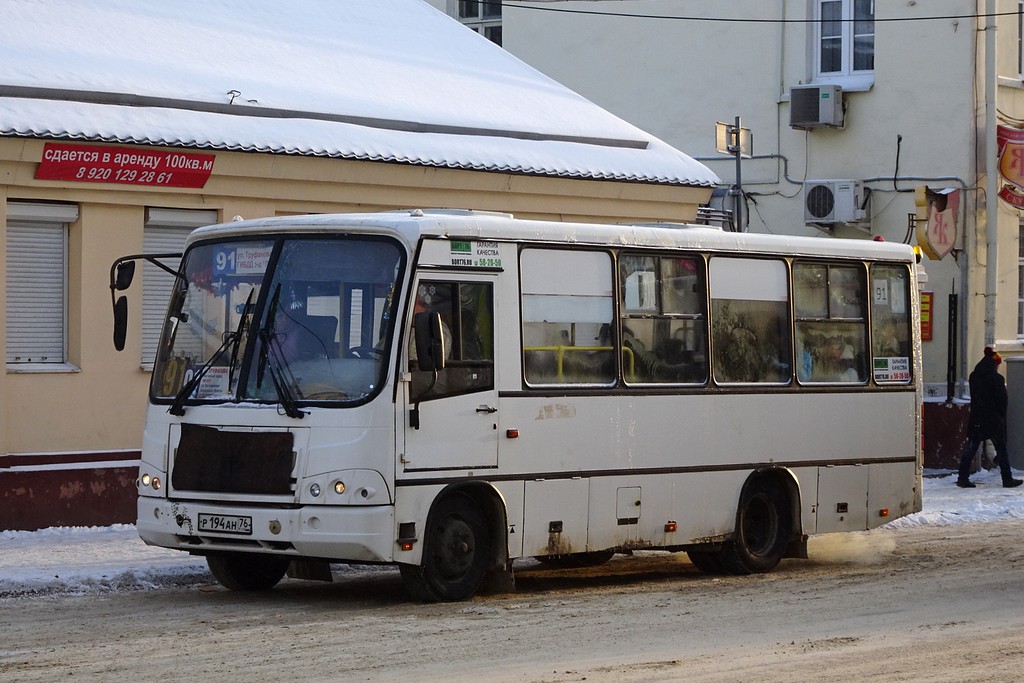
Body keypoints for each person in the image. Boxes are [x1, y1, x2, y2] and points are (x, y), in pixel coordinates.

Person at [957, 347, 1024, 488]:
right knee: (1001, 447)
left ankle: (962, 477)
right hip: (993, 419)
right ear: (995, 363)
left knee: (972, 447)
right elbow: (1002, 399)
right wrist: (1001, 414)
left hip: (977, 417)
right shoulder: (996, 378)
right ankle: (1007, 478)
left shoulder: (974, 376)